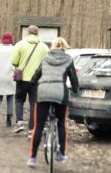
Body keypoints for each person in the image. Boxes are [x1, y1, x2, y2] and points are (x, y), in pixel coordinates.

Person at [27, 37, 79, 167]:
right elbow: (73, 78)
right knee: (61, 123)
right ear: (64, 47)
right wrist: (75, 89)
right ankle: (61, 154)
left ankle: (32, 158)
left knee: (38, 125)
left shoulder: (45, 58)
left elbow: (37, 74)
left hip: (43, 92)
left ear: (53, 46)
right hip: (60, 93)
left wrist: (33, 82)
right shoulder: (68, 59)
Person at [11, 25, 49, 137]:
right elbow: (47, 62)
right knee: (34, 104)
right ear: (37, 33)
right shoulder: (44, 47)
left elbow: (13, 61)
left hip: (22, 79)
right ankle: (32, 129)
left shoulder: (20, 44)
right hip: (36, 81)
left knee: (19, 100)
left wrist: (20, 64)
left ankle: (19, 123)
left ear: (28, 33)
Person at [0, 32, 16, 127]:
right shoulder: (14, 49)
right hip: (10, 77)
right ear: (11, 39)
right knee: (10, 97)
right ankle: (9, 118)